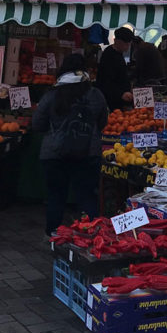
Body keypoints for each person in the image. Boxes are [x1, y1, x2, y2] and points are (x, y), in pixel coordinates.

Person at [32, 54, 109, 236]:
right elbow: (103, 122)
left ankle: (53, 236)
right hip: (88, 154)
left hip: (54, 154)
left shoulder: (52, 95)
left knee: (56, 197)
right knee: (87, 196)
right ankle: (91, 237)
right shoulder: (95, 95)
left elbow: (37, 123)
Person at [96, 26, 134, 111]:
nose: (128, 47)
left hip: (120, 99)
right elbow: (106, 81)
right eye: (126, 44)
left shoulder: (119, 53)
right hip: (112, 102)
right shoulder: (109, 56)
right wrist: (120, 94)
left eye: (129, 44)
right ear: (117, 41)